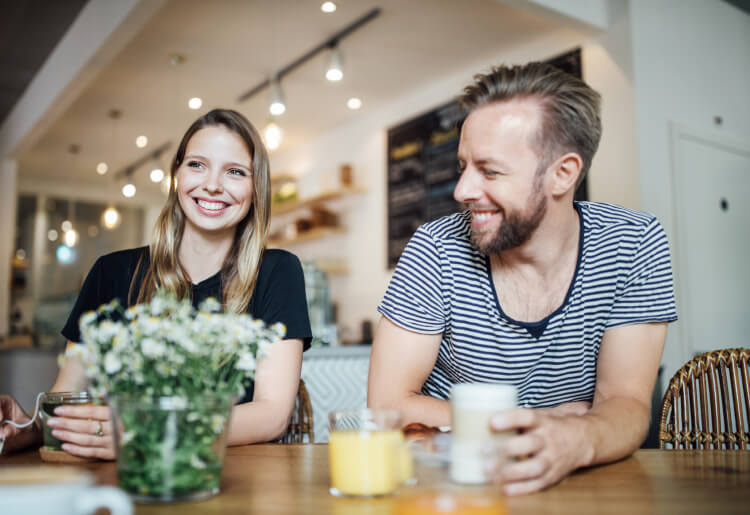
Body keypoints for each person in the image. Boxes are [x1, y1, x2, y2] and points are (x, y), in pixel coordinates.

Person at [368, 63, 677, 495]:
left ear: (563, 174)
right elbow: (388, 404)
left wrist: (579, 437)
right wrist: (541, 422)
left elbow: (625, 404)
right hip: (453, 485)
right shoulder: (434, 247)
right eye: (462, 166)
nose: (461, 191)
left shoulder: (633, 244)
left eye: (490, 171)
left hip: (580, 488)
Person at [1, 108, 312, 458]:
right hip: (124, 485)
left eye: (235, 172)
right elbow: (67, 396)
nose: (212, 184)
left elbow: (271, 415)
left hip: (233, 481)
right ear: (176, 174)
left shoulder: (276, 272)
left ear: (256, 189)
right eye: (197, 165)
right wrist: (29, 427)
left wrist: (147, 432)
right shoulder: (111, 273)